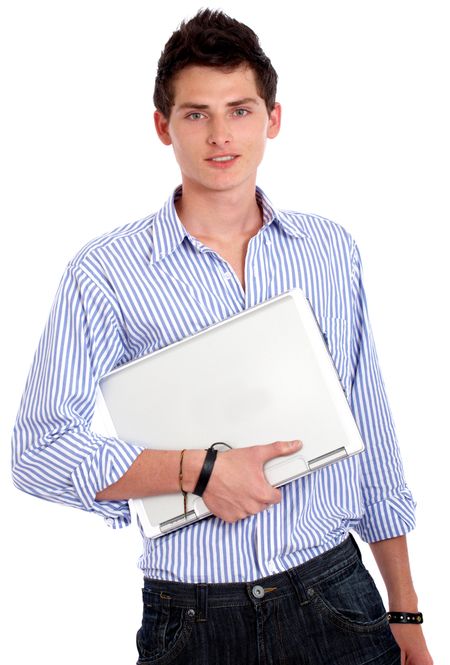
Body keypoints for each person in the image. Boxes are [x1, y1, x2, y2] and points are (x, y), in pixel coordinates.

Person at [11, 8, 433, 665]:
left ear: (273, 118)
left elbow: (370, 430)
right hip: (193, 621)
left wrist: (405, 608)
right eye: (196, 113)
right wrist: (198, 469)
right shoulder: (103, 273)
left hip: (337, 600)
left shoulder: (328, 250)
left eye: (239, 110)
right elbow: (38, 449)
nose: (220, 136)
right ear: (163, 126)